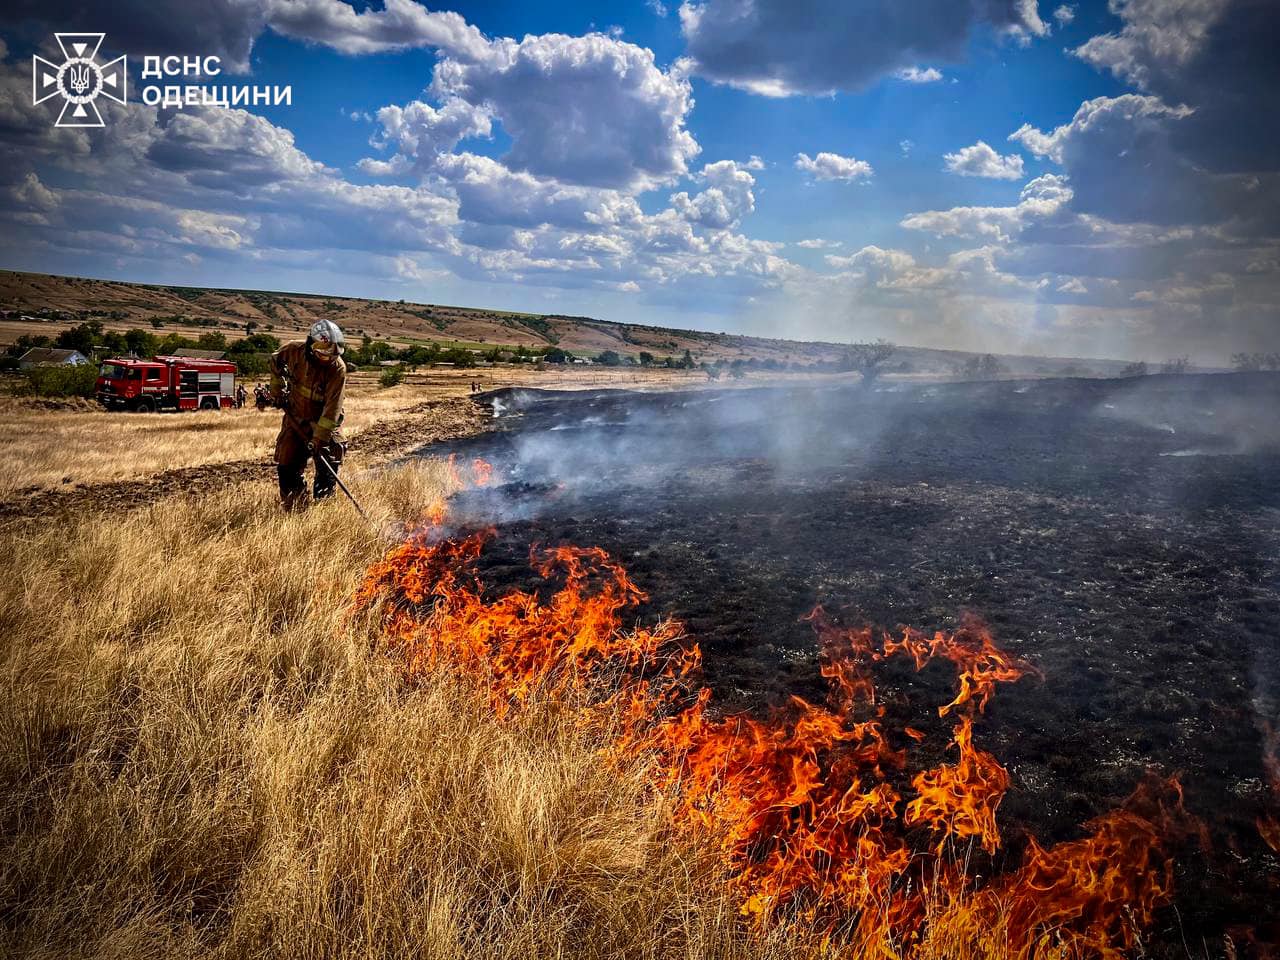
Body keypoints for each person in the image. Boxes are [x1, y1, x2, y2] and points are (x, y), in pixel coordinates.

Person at [268, 320, 347, 511]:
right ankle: (295, 506)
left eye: (332, 356)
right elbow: (274, 361)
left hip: (323, 420)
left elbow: (332, 408)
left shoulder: (337, 369)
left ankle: (323, 506)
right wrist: (277, 391)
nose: (328, 360)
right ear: (311, 347)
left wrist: (319, 438)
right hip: (295, 417)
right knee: (287, 460)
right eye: (323, 355)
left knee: (329, 455)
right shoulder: (293, 350)